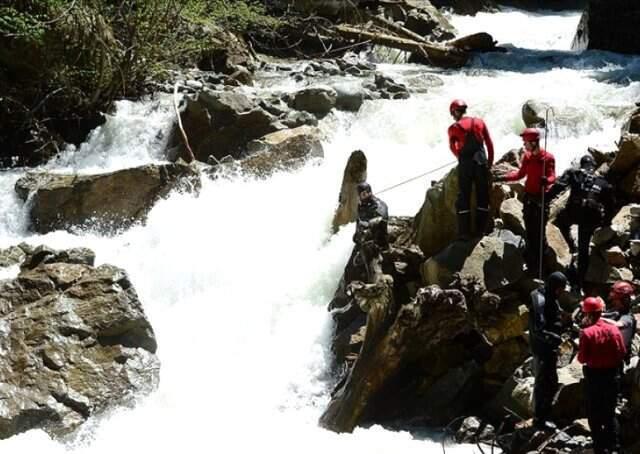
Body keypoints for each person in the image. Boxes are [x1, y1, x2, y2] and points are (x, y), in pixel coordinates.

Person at [548, 155, 614, 290]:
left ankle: (571, 246)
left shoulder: (574, 174)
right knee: (584, 251)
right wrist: (606, 222)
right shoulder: (602, 181)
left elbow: (558, 187)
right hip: (590, 217)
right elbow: (610, 204)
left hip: (574, 213)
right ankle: (580, 282)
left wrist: (545, 197)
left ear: (581, 165)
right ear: (593, 167)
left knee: (559, 221)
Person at [496, 128, 556, 275]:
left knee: (539, 235)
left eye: (526, 142)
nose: (524, 145)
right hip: (529, 199)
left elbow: (553, 176)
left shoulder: (547, 158)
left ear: (534, 142)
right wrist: (504, 177)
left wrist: (546, 181)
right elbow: (520, 174)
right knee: (530, 233)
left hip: (541, 200)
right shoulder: (528, 157)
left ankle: (543, 268)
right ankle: (532, 266)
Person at [578, 296, 627, 454]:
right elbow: (622, 352)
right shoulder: (613, 329)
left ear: (588, 314)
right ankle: (614, 446)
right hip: (612, 376)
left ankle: (599, 447)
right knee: (609, 413)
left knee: (594, 413)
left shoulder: (586, 333)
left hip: (594, 377)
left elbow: (582, 358)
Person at [448, 99, 495, 239]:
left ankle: (464, 233)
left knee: (464, 196)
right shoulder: (479, 122)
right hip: (481, 162)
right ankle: (480, 231)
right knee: (482, 196)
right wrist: (489, 164)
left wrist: (461, 158)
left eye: (453, 113)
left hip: (466, 165)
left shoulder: (454, 128)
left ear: (455, 112)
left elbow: (453, 147)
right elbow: (489, 144)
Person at [528, 271, 569, 429]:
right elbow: (539, 328)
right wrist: (555, 337)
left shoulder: (551, 297)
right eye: (560, 289)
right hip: (542, 348)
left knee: (551, 383)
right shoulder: (540, 300)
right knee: (543, 383)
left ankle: (545, 414)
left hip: (549, 347)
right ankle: (539, 419)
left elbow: (554, 315)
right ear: (554, 287)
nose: (561, 293)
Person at [603, 281, 637, 365]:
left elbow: (618, 325)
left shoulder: (627, 317)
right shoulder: (617, 310)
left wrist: (598, 318)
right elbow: (608, 314)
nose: (613, 301)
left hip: (617, 356)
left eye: (615, 299)